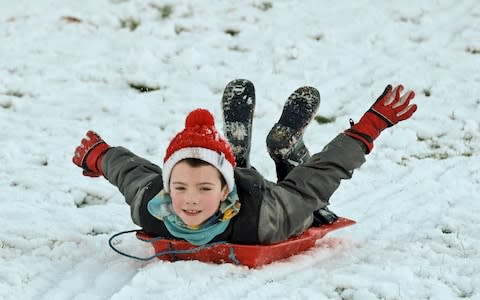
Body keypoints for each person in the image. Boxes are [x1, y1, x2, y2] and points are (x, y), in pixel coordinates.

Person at [72, 80, 417, 245]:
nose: (189, 199)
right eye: (179, 187)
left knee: (311, 202)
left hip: (264, 196)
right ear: (167, 185)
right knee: (209, 172)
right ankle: (235, 155)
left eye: (204, 188)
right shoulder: (153, 205)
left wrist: (367, 130)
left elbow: (315, 180)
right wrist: (101, 156)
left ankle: (284, 152)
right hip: (233, 177)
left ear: (224, 190)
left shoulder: (264, 218)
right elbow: (132, 175)